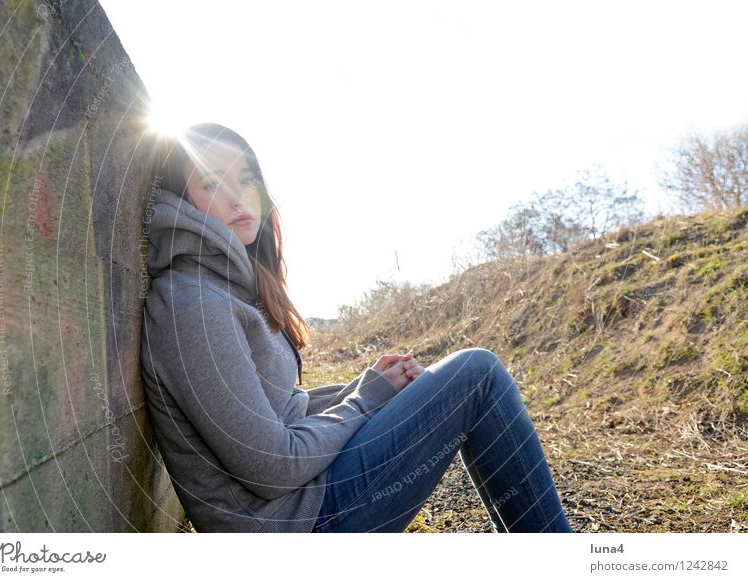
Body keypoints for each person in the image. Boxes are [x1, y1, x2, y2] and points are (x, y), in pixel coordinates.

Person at [140, 122, 573, 533]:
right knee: (476, 375)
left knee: (468, 378)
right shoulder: (192, 305)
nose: (239, 198)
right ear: (183, 201)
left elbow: (279, 411)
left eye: (246, 179)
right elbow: (271, 466)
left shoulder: (224, 289)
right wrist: (366, 400)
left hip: (304, 501)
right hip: (294, 525)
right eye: (213, 184)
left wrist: (368, 388)